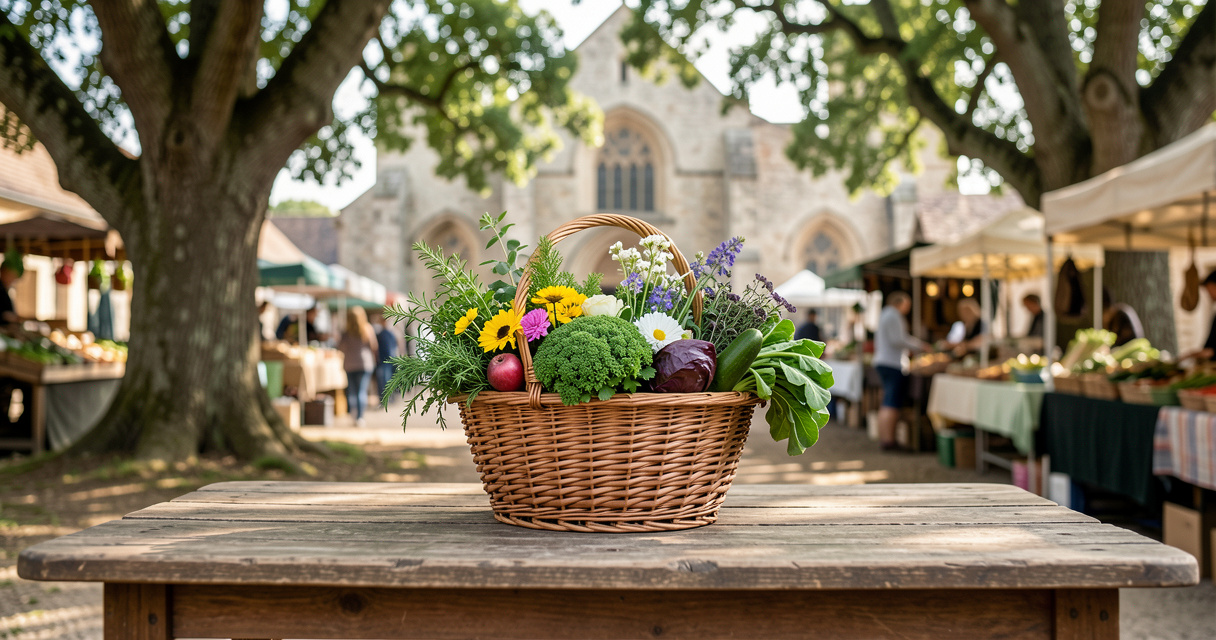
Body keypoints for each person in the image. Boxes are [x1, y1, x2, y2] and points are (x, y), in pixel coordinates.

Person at [873, 291, 929, 451]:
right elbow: (899, 339)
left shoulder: (885, 314)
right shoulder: (893, 315)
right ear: (901, 303)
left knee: (887, 402)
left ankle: (885, 438)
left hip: (884, 361)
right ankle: (889, 440)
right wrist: (920, 346)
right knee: (892, 402)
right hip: (892, 363)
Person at [338, 306, 378, 427]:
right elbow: (374, 346)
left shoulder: (346, 331)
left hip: (350, 363)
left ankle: (354, 415)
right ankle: (360, 417)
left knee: (352, 391)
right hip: (364, 363)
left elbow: (340, 347)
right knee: (361, 391)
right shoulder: (367, 329)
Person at [371, 310, 399, 405]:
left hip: (387, 361)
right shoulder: (385, 333)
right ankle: (386, 399)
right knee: (385, 381)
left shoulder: (386, 334)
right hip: (386, 360)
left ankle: (387, 399)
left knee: (385, 381)